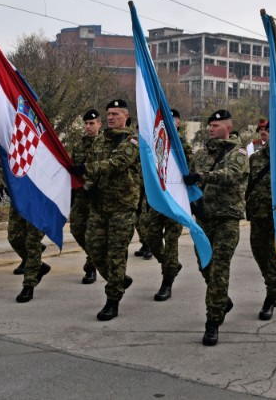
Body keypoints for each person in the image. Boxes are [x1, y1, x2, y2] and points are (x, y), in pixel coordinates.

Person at [184, 109, 249, 346]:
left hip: (226, 219)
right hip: (203, 218)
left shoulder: (238, 152)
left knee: (219, 269)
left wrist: (201, 176)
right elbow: (189, 183)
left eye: (216, 125)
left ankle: (212, 322)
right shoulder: (201, 154)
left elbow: (231, 175)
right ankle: (222, 299)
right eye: (210, 125)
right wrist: (193, 204)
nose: (211, 128)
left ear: (228, 127)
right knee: (205, 266)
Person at [79, 99, 141, 321]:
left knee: (116, 254)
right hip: (99, 205)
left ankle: (112, 299)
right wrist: (88, 183)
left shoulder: (133, 141)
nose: (111, 117)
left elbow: (118, 163)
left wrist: (87, 168)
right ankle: (119, 280)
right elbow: (94, 169)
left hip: (122, 207)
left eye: (115, 113)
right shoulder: (100, 141)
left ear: (126, 116)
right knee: (94, 249)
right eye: (109, 114)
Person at [144, 108, 192, 302]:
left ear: (178, 123)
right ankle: (170, 264)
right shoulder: (157, 144)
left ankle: (167, 282)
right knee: (151, 236)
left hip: (175, 201)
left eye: (173, 121)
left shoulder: (183, 147)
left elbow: (190, 172)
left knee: (171, 241)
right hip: (158, 199)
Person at [245, 120, 276, 321]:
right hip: (259, 214)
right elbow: (249, 184)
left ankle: (271, 294)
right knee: (259, 252)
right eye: (268, 131)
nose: (270, 134)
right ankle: (274, 284)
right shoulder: (256, 158)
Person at [68, 108, 102, 284]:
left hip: (98, 197)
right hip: (82, 196)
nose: (88, 127)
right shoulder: (78, 146)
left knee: (93, 234)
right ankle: (94, 257)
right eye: (86, 124)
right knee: (76, 229)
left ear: (99, 125)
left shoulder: (104, 144)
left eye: (92, 124)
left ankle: (91, 267)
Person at [8, 207, 51, 302]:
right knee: (14, 237)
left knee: (32, 242)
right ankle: (39, 266)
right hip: (19, 196)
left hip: (38, 200)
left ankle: (29, 284)